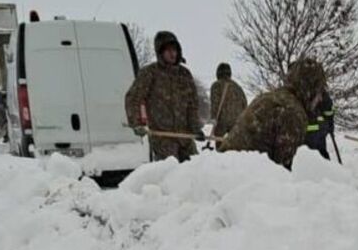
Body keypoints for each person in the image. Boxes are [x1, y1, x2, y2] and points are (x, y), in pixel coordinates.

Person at [216, 57, 324, 170]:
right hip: (242, 177)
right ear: (310, 89)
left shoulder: (272, 97)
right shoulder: (293, 112)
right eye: (319, 91)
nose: (320, 98)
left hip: (225, 167)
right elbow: (282, 171)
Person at [124, 31, 203, 162]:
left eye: (175, 50)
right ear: (160, 52)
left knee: (195, 170)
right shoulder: (150, 73)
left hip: (185, 137)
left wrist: (196, 128)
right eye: (168, 50)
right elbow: (133, 98)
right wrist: (136, 122)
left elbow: (192, 106)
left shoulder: (185, 74)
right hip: (163, 138)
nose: (172, 54)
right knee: (171, 174)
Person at [210, 63, 248, 139]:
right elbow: (245, 104)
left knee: (220, 145)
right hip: (237, 123)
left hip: (222, 122)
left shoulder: (216, 85)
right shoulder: (237, 87)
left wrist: (213, 118)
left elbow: (215, 103)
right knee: (233, 147)